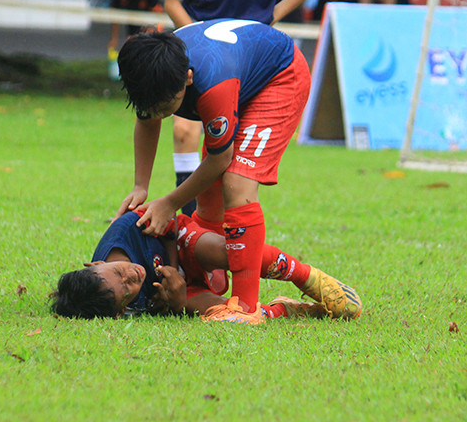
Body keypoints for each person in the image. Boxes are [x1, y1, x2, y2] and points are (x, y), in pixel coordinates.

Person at [113, 21, 360, 323]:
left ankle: (247, 306)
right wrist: (141, 186)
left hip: (279, 79)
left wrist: (169, 203)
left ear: (188, 78)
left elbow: (220, 159)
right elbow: (148, 119)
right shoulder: (151, 71)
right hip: (241, 81)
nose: (161, 113)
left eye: (167, 105)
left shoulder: (213, 84)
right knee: (209, 198)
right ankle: (217, 279)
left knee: (236, 183)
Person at [155, 0, 322, 216]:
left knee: (236, 174)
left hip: (250, 63)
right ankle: (186, 221)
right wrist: (203, 44)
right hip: (199, 61)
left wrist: (268, 19)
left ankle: (227, 231)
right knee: (184, 134)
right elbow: (172, 3)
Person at [52, 209, 361, 322]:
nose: (133, 276)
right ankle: (288, 310)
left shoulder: (125, 229)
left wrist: (173, 269)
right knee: (227, 314)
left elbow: (169, 222)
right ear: (120, 311)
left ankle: (308, 277)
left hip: (186, 246)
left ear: (95, 262)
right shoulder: (115, 304)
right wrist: (175, 302)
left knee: (226, 251)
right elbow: (165, 306)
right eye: (129, 289)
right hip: (185, 287)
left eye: (120, 272)